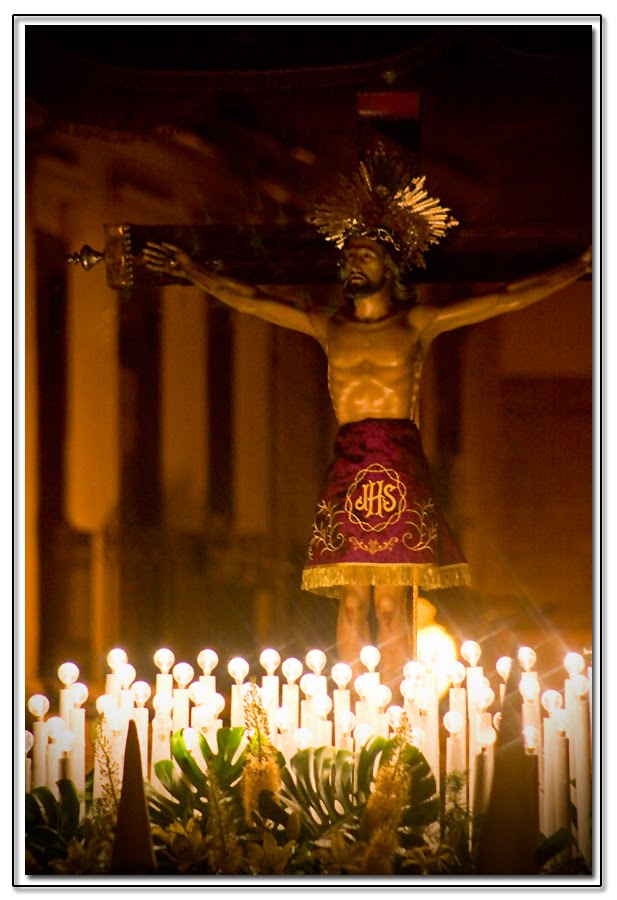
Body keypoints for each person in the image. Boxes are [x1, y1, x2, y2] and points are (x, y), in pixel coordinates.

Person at [143, 147, 591, 686]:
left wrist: (579, 268)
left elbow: (507, 298)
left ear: (389, 267)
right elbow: (250, 299)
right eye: (350, 254)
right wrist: (192, 270)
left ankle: (396, 704)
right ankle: (354, 699)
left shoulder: (416, 324)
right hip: (349, 464)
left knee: (390, 603)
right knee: (352, 601)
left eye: (367, 254)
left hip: (398, 463)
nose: (355, 262)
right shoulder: (329, 326)